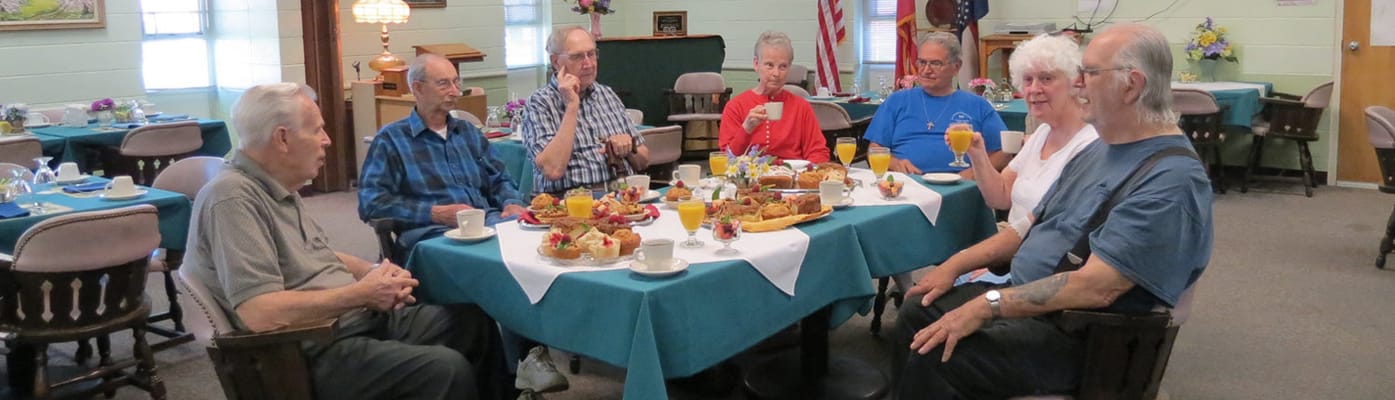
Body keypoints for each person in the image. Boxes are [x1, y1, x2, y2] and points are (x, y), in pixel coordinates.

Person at [891, 24, 1214, 398]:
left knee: (935, 351)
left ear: (1132, 85)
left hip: (1083, 335)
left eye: (1090, 73)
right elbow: (1024, 229)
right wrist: (952, 267)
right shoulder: (1103, 149)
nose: (1078, 84)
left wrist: (988, 304)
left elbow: (1099, 287)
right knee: (917, 310)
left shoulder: (1170, 179)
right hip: (1032, 304)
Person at [184, 82, 508, 400]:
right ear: (283, 138)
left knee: (473, 322)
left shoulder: (278, 186)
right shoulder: (231, 198)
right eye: (317, 131)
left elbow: (313, 254)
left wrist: (372, 271)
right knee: (446, 369)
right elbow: (259, 312)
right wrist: (359, 295)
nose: (327, 140)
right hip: (303, 351)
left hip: (348, 323)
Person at [952, 33, 1099, 285]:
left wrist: (999, 266)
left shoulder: (1090, 144)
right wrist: (977, 153)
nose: (1034, 89)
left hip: (1040, 267)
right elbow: (999, 196)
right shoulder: (1042, 133)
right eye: (1028, 80)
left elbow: (1064, 233)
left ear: (1075, 82)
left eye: (1046, 78)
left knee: (935, 298)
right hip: (1009, 252)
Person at [358, 53, 527, 257]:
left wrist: (512, 203)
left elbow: (500, 179)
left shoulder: (469, 132)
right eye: (444, 84)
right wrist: (435, 214)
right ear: (418, 88)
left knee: (534, 247)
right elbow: (372, 204)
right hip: (433, 235)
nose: (455, 91)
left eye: (456, 82)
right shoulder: (391, 140)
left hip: (488, 224)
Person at [521, 26, 649, 196]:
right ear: (556, 62)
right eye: (577, 57)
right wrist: (572, 106)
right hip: (572, 201)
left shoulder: (606, 94)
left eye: (592, 54)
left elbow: (644, 161)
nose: (588, 64)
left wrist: (628, 147)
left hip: (621, 193)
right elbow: (552, 170)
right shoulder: (540, 102)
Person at [864, 32, 1009, 176]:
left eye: (935, 63)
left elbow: (1004, 153)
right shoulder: (897, 100)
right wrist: (895, 164)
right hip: (907, 182)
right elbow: (874, 148)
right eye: (922, 62)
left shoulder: (978, 105)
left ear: (956, 67)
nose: (926, 70)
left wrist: (973, 173)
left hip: (960, 185)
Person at [719, 31, 830, 162]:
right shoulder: (735, 106)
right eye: (769, 65)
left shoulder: (801, 107)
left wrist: (807, 173)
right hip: (751, 179)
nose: (776, 73)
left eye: (783, 67)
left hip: (793, 178)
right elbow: (726, 159)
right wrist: (746, 128)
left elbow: (818, 152)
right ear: (756, 64)